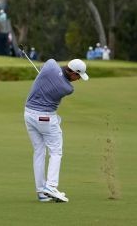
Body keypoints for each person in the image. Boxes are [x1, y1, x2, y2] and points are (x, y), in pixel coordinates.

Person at [24, 58, 89, 203]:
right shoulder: (68, 88)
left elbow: (46, 66)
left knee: (39, 151)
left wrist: (44, 75)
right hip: (45, 118)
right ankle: (51, 186)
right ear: (72, 72)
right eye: (78, 76)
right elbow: (59, 80)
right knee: (56, 151)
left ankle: (41, 192)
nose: (77, 80)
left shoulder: (51, 65)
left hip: (28, 114)